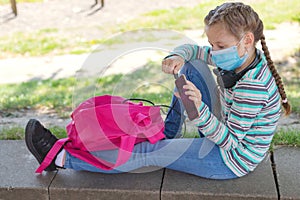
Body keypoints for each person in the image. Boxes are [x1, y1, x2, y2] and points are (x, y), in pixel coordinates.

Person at [25, 2, 291, 179]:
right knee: (193, 65)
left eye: (220, 46)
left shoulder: (253, 87)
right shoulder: (241, 57)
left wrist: (200, 112)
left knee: (147, 154)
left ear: (247, 40)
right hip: (224, 130)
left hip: (232, 158)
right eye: (212, 43)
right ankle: (168, 131)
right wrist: (178, 56)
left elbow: (231, 141)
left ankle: (61, 159)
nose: (214, 51)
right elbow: (195, 52)